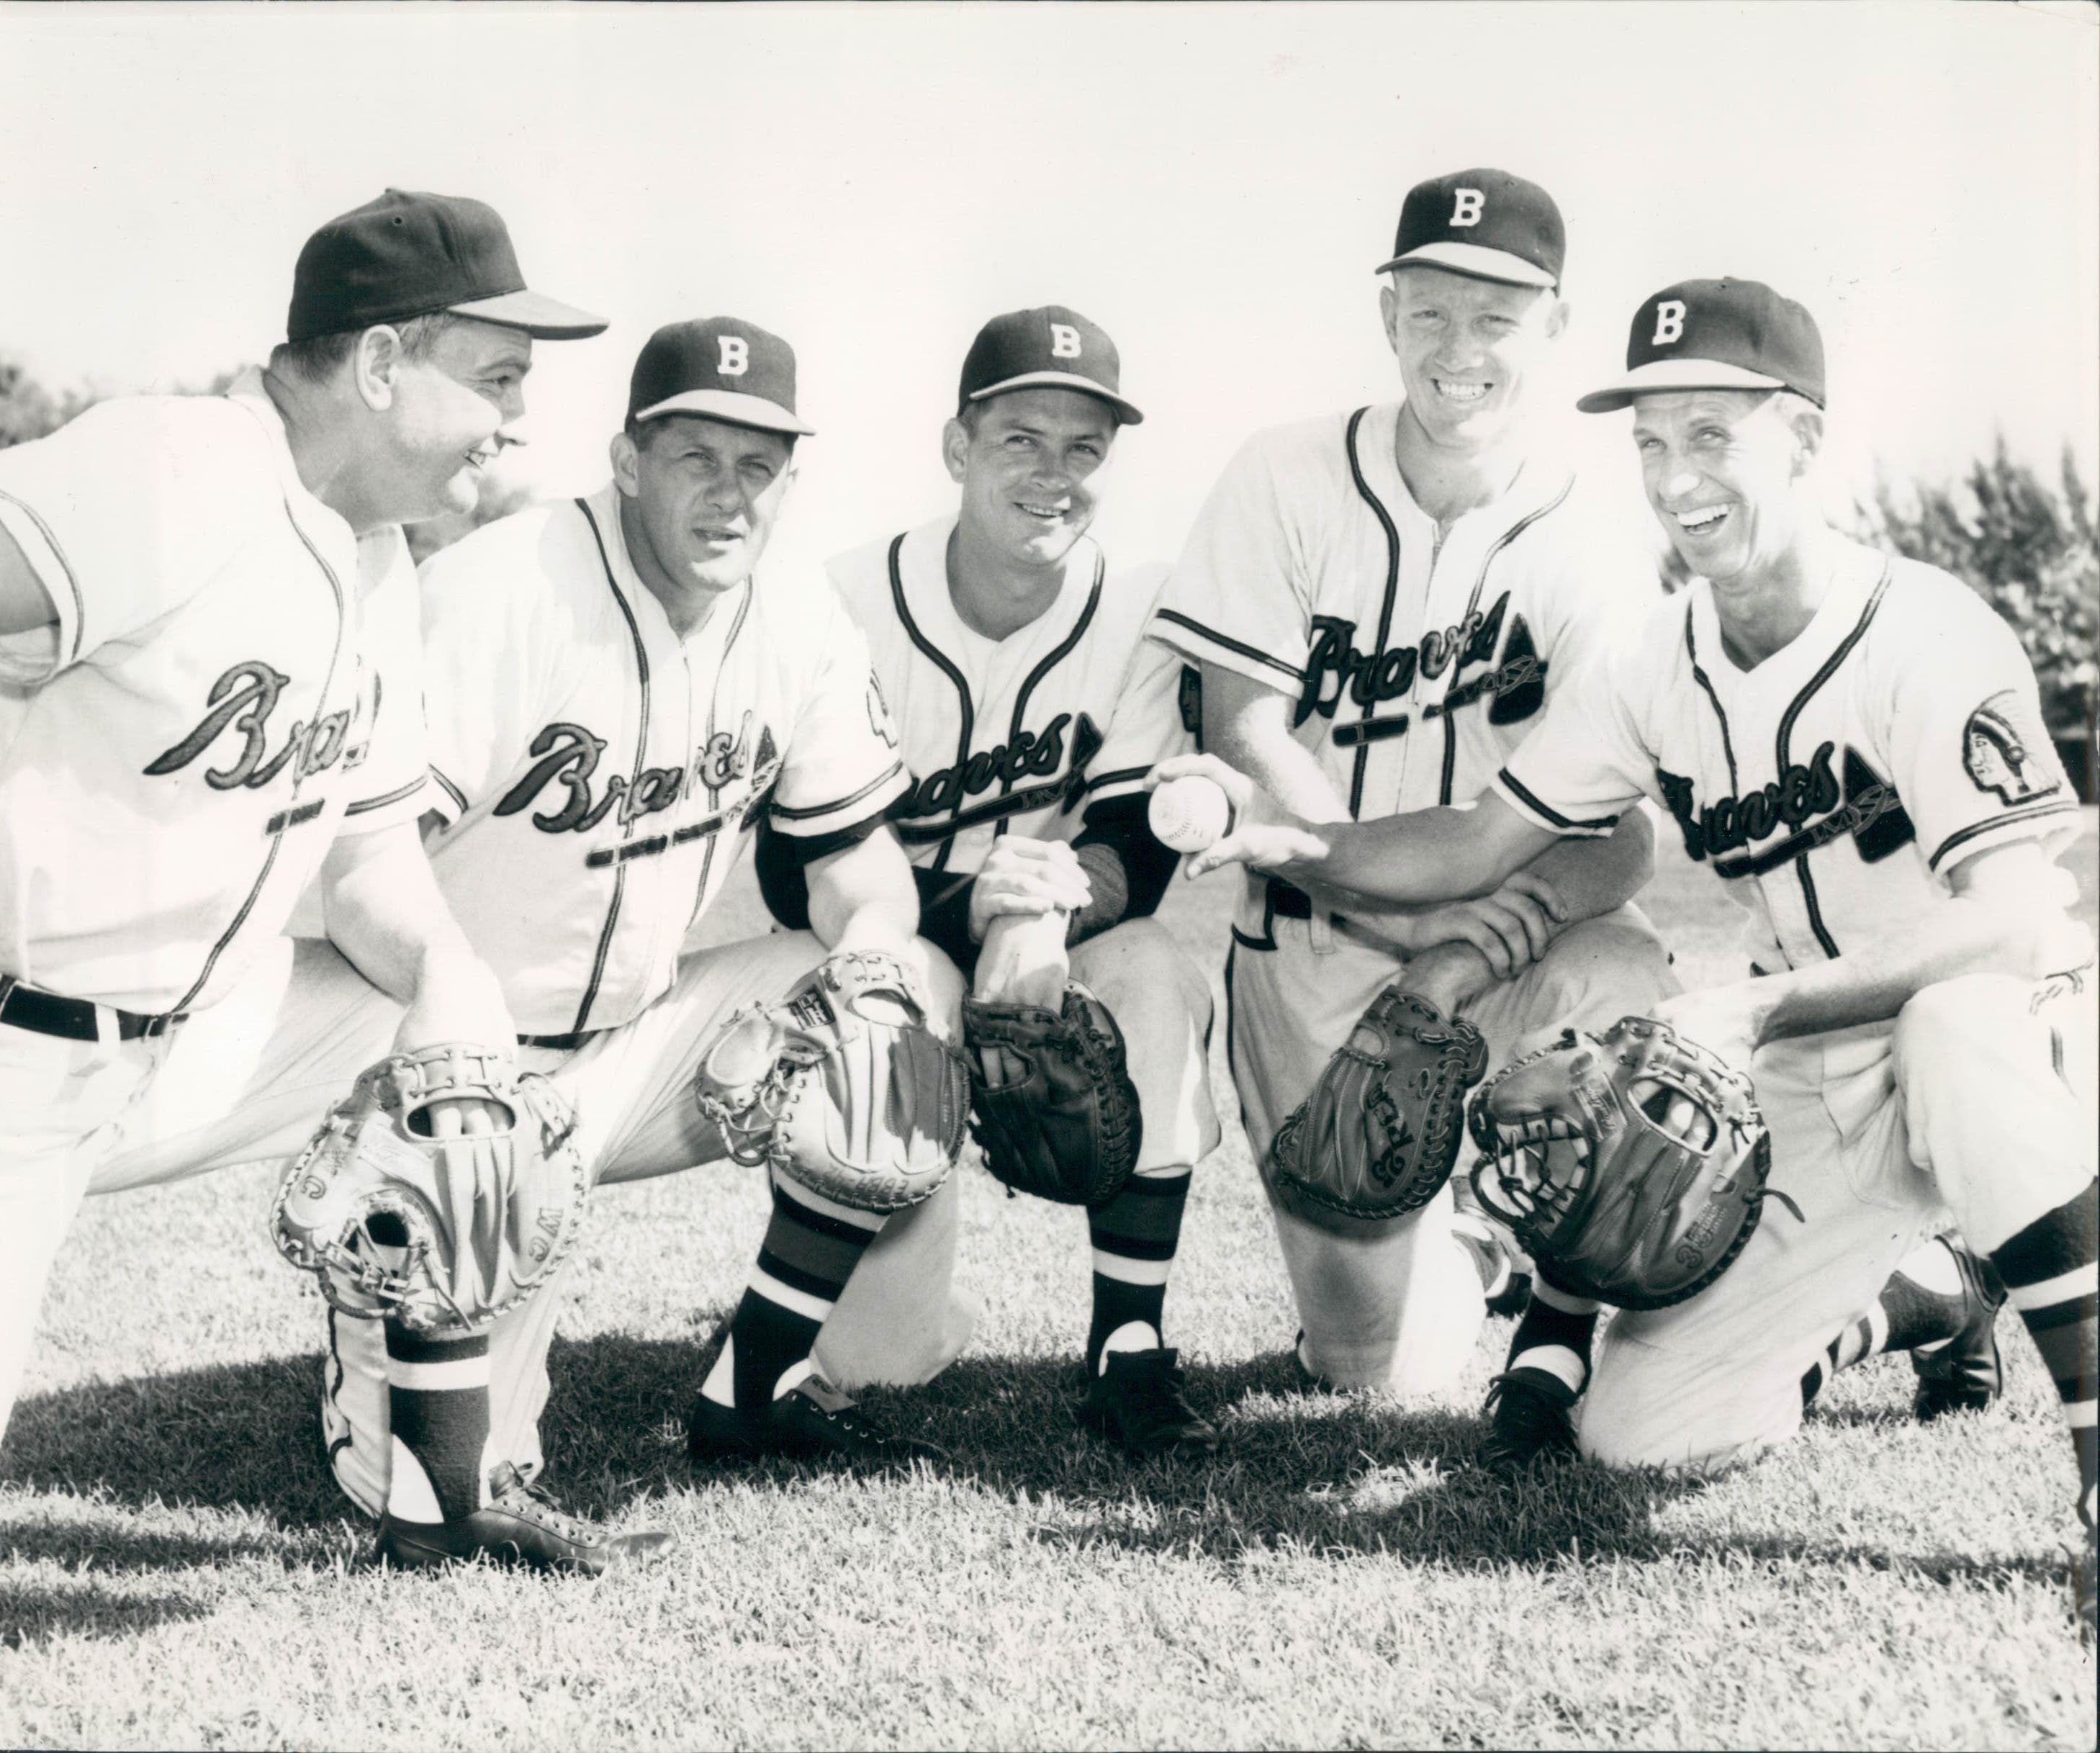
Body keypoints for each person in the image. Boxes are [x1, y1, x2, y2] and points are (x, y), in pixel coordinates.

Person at [1159, 277, 2098, 1633]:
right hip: (1831, 1064)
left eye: (1712, 435)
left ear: (1804, 439)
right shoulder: (1656, 660)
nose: (1675, 478)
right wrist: (1306, 851)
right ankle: (1926, 1292)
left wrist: (1759, 1005)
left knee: (1959, 1028)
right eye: (1652, 442)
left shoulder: (1928, 627)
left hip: (2029, 1043)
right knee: (1641, 1434)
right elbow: (1483, 838)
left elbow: (2014, 920)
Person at [94, 317, 976, 1559]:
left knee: (899, 994)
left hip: (631, 1050)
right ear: (626, 460)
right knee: (455, 1483)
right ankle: (408, 1373)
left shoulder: (799, 615)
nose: (730, 496)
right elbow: (365, 867)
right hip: (420, 1047)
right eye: (696, 459)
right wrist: (453, 1038)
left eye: (758, 467)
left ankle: (753, 1396)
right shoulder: (503, 592)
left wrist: (877, 955)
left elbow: (850, 860)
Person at [0, 187, 604, 1559]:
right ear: (380, 365)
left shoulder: (375, 566)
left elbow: (372, 865)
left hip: (180, 1047)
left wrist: (444, 978)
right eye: (493, 378)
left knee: (464, 1068)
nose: (514, 420)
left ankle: (430, 1490)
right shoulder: (180, 462)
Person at [1145, 168, 1673, 1394]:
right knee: (1376, 1380)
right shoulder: (1284, 473)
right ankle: (1452, 1269)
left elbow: (1624, 838)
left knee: (1624, 974)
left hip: (1504, 944)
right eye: (1430, 312)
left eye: (1496, 317)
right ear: (1387, 316)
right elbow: (1243, 730)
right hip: (1313, 940)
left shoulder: (1592, 527)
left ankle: (1532, 1285)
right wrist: (1403, 907)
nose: (1459, 350)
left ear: (1553, 326)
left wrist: (1461, 947)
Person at [772, 306, 1223, 1455]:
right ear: (957, 447)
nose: (1053, 473)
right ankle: (884, 1268)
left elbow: (1139, 837)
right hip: (893, 935)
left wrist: (1046, 904)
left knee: (1154, 972)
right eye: (1022, 438)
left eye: (1084, 448)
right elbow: (791, 862)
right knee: (883, 1360)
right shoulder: (843, 601)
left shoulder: (1141, 601)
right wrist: (972, 903)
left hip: (1056, 944)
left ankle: (1130, 1346)